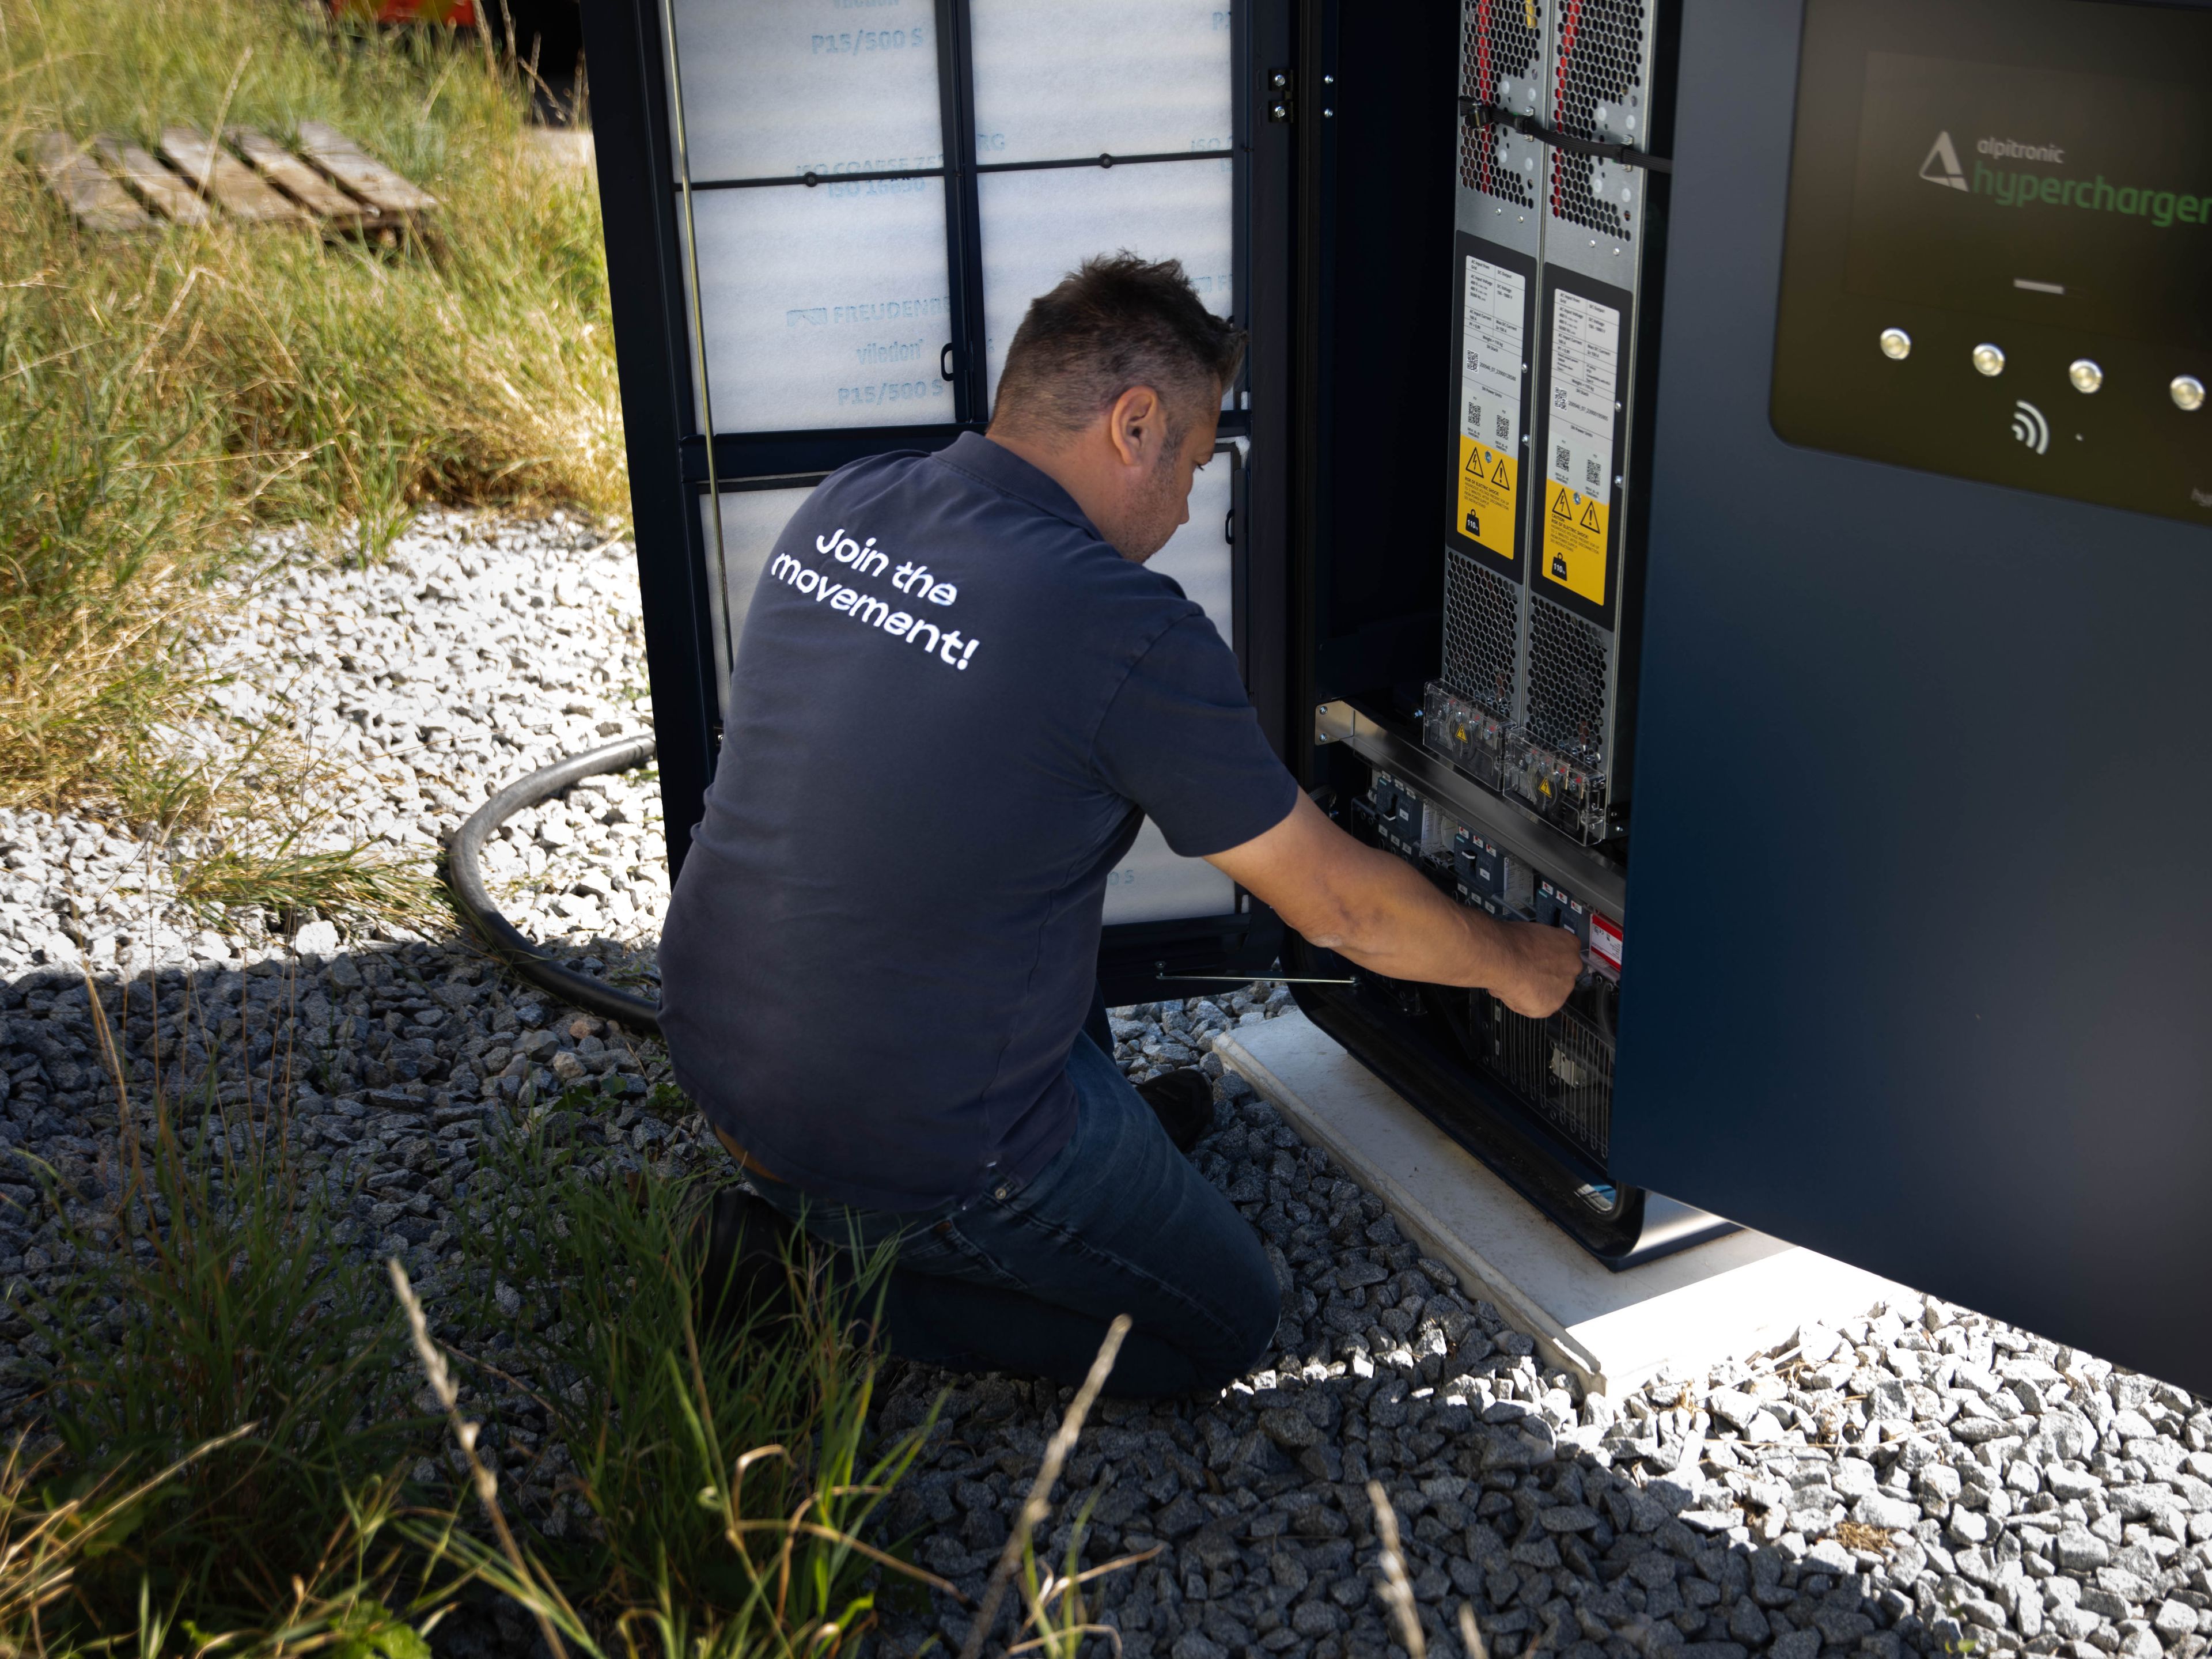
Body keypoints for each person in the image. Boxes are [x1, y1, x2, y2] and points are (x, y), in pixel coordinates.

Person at [656, 254, 1582, 1397]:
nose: (1189, 506)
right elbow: (1342, 907)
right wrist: (1516, 965)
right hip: (909, 1143)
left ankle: (1092, 1142)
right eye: (1192, 463)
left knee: (1017, 834)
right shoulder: (1121, 626)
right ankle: (802, 1281)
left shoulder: (853, 499)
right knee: (1224, 1322)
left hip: (720, 1056)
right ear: (1134, 424)